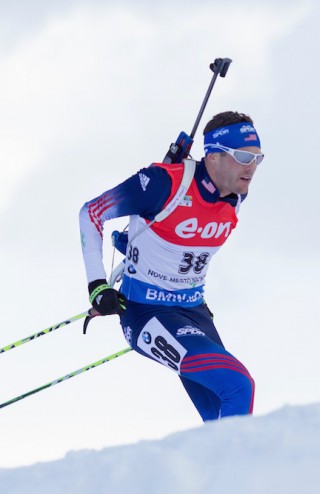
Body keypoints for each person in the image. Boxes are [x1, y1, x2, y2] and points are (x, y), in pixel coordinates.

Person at [78, 111, 264, 421]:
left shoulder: (236, 193)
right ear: (214, 157)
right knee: (237, 385)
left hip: (195, 312)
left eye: (258, 159)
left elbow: (174, 236)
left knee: (219, 413)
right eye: (243, 156)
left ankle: (217, 468)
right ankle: (237, 468)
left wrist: (137, 245)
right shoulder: (164, 183)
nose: (251, 168)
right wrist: (97, 285)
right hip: (147, 314)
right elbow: (90, 213)